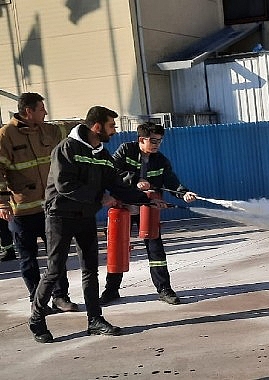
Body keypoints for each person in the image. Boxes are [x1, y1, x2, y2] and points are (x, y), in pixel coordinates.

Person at [28, 106, 165, 343]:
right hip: (60, 216)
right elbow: (64, 185)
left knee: (90, 270)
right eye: (111, 125)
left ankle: (95, 320)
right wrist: (99, 198)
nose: (115, 130)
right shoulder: (67, 148)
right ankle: (37, 319)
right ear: (97, 126)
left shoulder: (102, 154)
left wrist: (146, 201)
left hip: (85, 216)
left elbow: (117, 185)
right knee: (54, 270)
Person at [99, 122, 197, 306]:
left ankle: (164, 289)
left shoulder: (160, 160)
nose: (157, 144)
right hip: (123, 206)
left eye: (159, 141)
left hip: (147, 208)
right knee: (118, 249)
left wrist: (184, 193)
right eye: (153, 140)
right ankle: (111, 290)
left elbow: (171, 181)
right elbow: (112, 172)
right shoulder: (125, 150)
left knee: (155, 248)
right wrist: (135, 180)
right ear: (141, 139)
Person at [0, 93, 78, 312]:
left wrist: (94, 124)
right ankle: (38, 301)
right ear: (28, 112)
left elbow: (71, 129)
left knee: (57, 256)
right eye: (41, 109)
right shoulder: (6, 135)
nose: (45, 112)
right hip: (22, 211)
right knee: (28, 260)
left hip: (51, 208)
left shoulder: (48, 130)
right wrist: (3, 203)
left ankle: (61, 297)